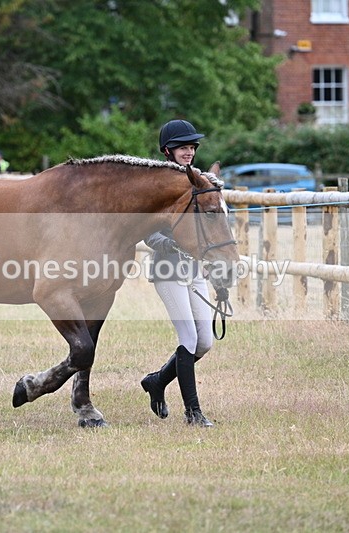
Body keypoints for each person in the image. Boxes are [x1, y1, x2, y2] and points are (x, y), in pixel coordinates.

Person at [141, 119, 216, 427]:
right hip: (168, 269)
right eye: (183, 147)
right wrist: (170, 243)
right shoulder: (156, 185)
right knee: (187, 338)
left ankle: (157, 381)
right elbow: (146, 232)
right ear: (168, 151)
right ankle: (193, 413)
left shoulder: (198, 181)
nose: (189, 152)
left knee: (205, 342)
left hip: (195, 268)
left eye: (192, 147)